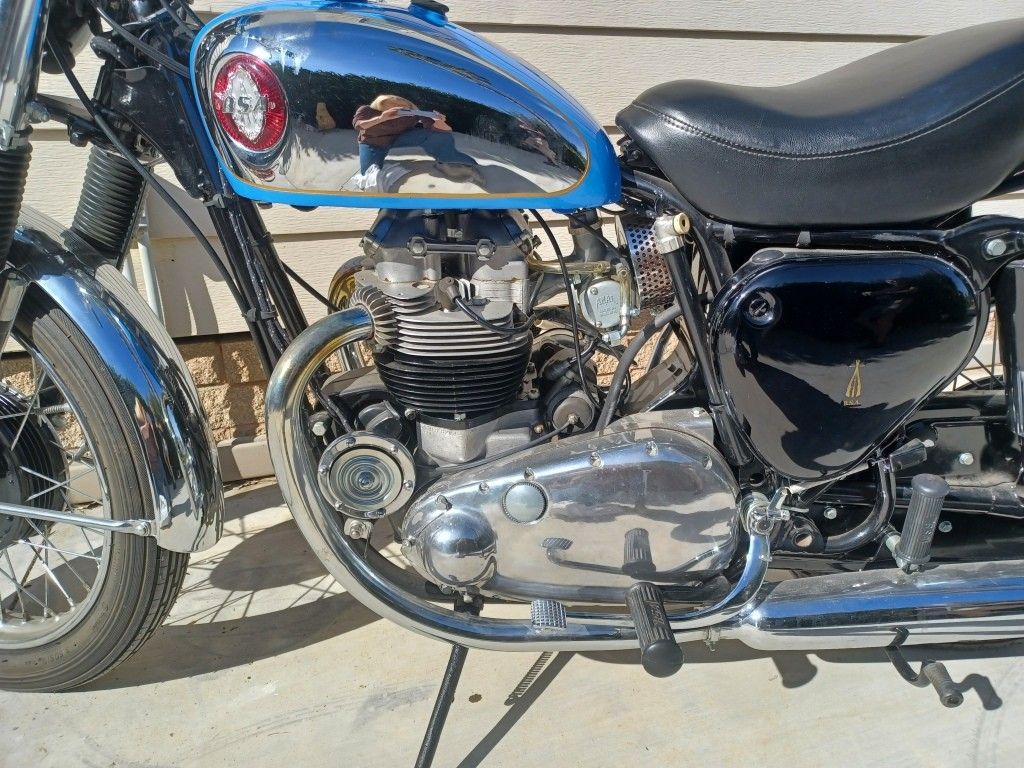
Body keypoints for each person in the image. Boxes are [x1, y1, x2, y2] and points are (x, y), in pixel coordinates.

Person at [352, 94, 479, 180]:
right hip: (373, 142)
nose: (400, 108)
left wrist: (438, 120)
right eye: (393, 105)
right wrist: (382, 118)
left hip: (400, 137)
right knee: (368, 176)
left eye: (404, 106)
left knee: (439, 137)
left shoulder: (413, 113)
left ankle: (450, 160)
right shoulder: (366, 110)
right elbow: (358, 125)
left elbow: (445, 131)